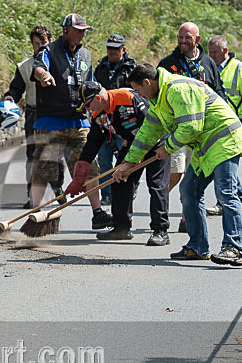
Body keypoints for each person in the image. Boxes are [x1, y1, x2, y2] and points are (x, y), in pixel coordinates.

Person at [113, 64, 242, 266]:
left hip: (224, 141)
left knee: (226, 193)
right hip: (205, 147)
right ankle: (198, 246)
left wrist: (167, 147)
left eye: (138, 89)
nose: (138, 95)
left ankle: (234, 248)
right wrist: (128, 163)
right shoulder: (157, 101)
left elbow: (191, 126)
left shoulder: (177, 88)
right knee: (189, 191)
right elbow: (146, 133)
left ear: (147, 82)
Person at [30, 13, 112, 230]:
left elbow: (92, 83)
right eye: (78, 29)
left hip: (79, 122)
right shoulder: (48, 51)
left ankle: (97, 213)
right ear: (65, 30)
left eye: (84, 30)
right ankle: (34, 213)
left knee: (89, 168)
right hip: (50, 122)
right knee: (44, 170)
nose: (82, 33)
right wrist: (44, 76)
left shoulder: (86, 55)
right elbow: (38, 68)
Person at [65, 81, 170, 245]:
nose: (88, 109)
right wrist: (79, 177)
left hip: (156, 143)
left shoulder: (129, 98)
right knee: (118, 179)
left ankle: (160, 231)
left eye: (88, 105)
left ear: (98, 97)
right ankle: (121, 228)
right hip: (132, 144)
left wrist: (136, 159)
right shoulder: (99, 114)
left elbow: (152, 125)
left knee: (156, 185)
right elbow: (92, 144)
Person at [157, 22, 225, 233]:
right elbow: (159, 96)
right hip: (178, 129)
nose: (183, 41)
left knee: (193, 175)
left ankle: (187, 219)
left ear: (197, 39)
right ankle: (158, 209)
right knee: (176, 173)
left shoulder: (208, 63)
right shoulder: (168, 64)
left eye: (187, 38)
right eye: (180, 37)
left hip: (203, 131)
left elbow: (219, 92)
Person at [1, 25, 67, 208]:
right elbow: (16, 88)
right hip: (33, 113)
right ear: (32, 45)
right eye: (36, 43)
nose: (40, 47)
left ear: (50, 42)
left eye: (43, 43)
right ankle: (33, 195)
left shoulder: (60, 63)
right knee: (32, 156)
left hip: (54, 113)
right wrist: (10, 97)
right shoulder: (24, 66)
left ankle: (58, 188)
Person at [204, 35, 242, 216]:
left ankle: (226, 202)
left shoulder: (241, 69)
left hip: (234, 126)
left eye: (215, 52)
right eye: (210, 52)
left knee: (222, 164)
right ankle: (239, 195)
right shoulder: (207, 68)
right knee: (219, 165)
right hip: (213, 126)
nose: (212, 55)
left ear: (225, 51)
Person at [93, 33, 137, 205]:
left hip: (125, 121)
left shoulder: (131, 67)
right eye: (109, 48)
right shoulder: (101, 67)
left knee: (126, 158)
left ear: (123, 49)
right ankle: (107, 194)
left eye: (115, 48)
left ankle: (130, 188)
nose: (111, 51)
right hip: (103, 120)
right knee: (104, 158)